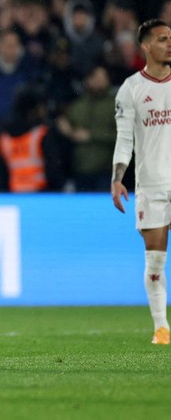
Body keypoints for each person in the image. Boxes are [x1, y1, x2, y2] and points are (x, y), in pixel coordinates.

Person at [112, 18, 171, 346]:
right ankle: (161, 328)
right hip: (151, 185)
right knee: (156, 260)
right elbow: (124, 140)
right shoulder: (131, 89)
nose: (170, 43)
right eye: (163, 39)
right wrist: (117, 178)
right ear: (146, 46)